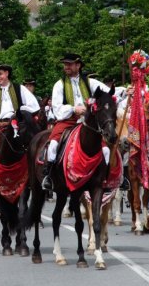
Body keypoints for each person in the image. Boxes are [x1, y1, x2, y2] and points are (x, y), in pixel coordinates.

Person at [43, 54, 111, 191]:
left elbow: (108, 92)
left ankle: (105, 179)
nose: (66, 67)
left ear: (78, 65)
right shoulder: (59, 85)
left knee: (106, 150)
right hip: (68, 120)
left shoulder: (89, 82)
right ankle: (48, 176)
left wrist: (125, 92)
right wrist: (74, 109)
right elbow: (57, 109)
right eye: (65, 64)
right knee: (53, 145)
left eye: (69, 64)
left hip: (88, 122)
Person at [0, 63, 41, 193]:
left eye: (0, 74)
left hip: (17, 125)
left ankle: (34, 177)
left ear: (7, 74)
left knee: (32, 146)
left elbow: (34, 106)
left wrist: (20, 111)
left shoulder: (19, 89)